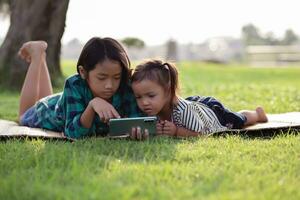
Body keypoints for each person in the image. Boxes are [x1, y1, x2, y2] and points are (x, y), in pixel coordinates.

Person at [18, 37, 143, 139]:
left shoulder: (125, 85)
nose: (109, 85)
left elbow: (137, 120)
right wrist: (92, 105)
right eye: (101, 78)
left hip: (61, 101)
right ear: (83, 72)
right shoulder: (74, 85)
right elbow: (72, 133)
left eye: (116, 77)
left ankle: (42, 57)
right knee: (23, 116)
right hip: (48, 110)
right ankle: (36, 56)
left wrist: (137, 130)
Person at [130, 59, 268, 138]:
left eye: (151, 96)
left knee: (238, 120)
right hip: (196, 106)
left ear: (168, 90)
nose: (144, 102)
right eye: (138, 97)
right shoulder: (149, 111)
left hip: (213, 113)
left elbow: (199, 133)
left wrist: (176, 131)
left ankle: (257, 114)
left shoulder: (183, 111)